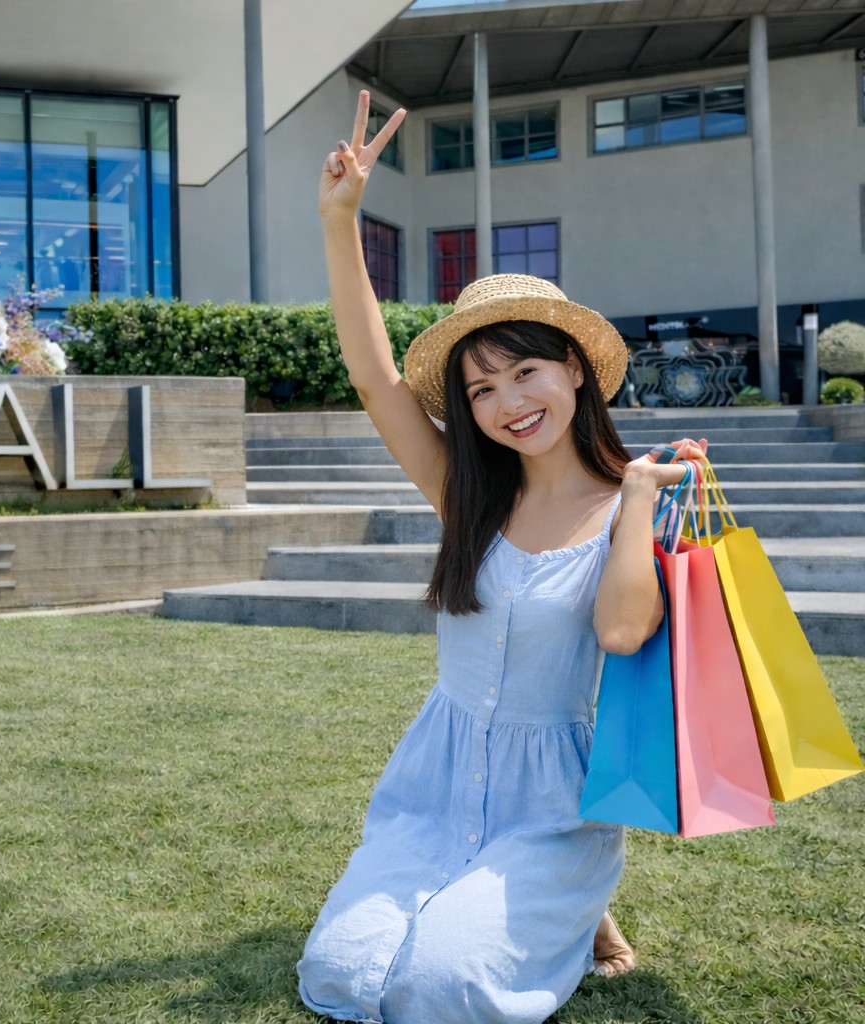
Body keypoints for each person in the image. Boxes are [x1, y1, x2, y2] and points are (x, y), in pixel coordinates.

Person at [296, 91, 705, 1023]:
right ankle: (557, 916)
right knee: (343, 975)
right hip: (433, 782)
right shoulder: (466, 496)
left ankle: (577, 902)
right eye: (481, 388)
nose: (508, 401)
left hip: (551, 803)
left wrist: (637, 500)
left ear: (574, 371)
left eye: (526, 371)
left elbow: (621, 627)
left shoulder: (623, 505)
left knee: (445, 989)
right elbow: (372, 374)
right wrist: (340, 220)